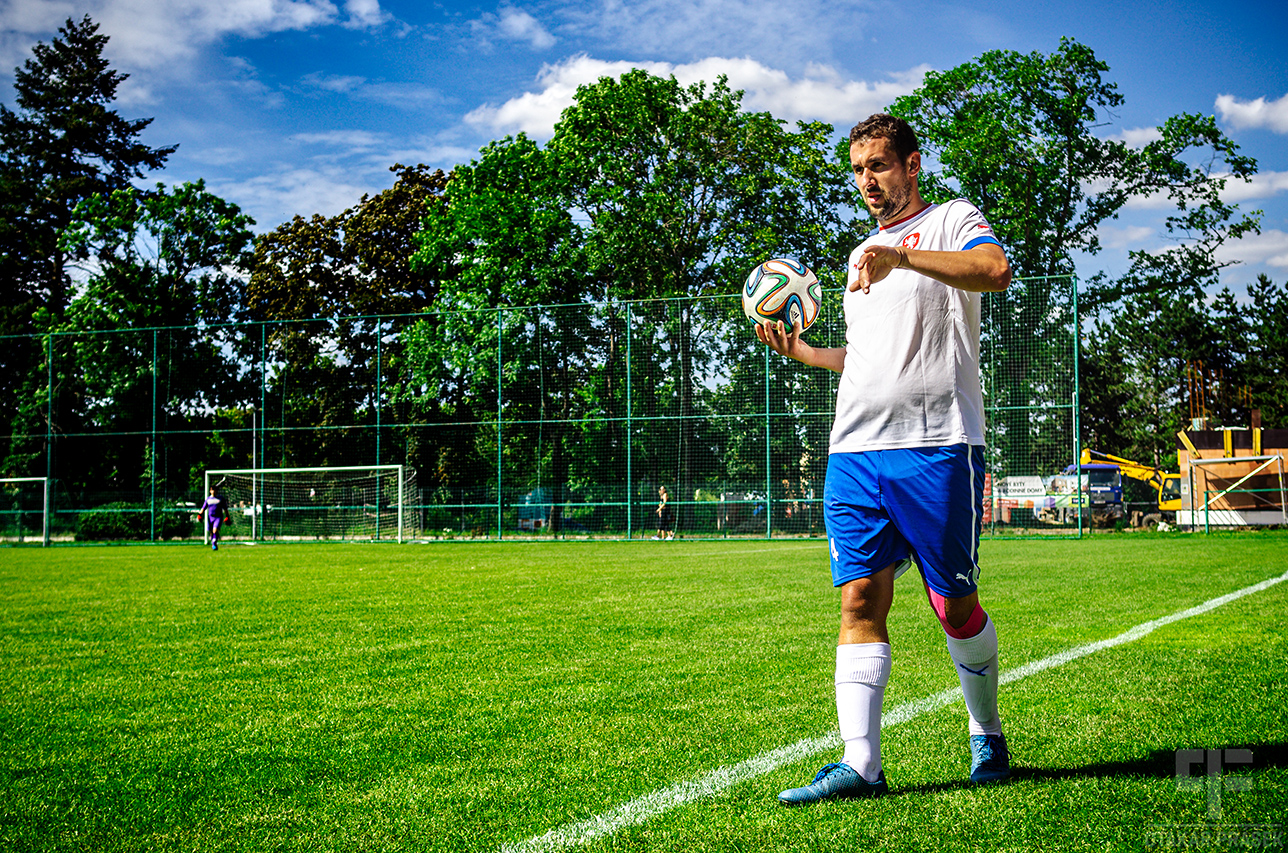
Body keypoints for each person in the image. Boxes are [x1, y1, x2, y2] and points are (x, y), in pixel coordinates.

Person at [757, 114, 1012, 805]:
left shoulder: (954, 219)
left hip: (938, 444)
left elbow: (994, 271)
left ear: (911, 164)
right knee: (859, 598)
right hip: (856, 449)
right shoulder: (859, 254)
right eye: (858, 169)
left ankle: (985, 730)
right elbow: (867, 357)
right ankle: (860, 762)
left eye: (879, 165)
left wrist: (904, 256)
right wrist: (806, 353)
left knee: (955, 608)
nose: (868, 181)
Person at [199, 486, 230, 551]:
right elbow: (203, 508)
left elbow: (225, 508)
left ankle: (214, 543)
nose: (213, 491)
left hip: (218, 517)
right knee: (211, 532)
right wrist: (200, 515)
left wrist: (227, 516)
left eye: (215, 490)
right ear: (210, 491)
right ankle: (214, 542)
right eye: (212, 490)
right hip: (210, 517)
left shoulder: (220, 499)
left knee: (215, 530)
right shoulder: (208, 499)